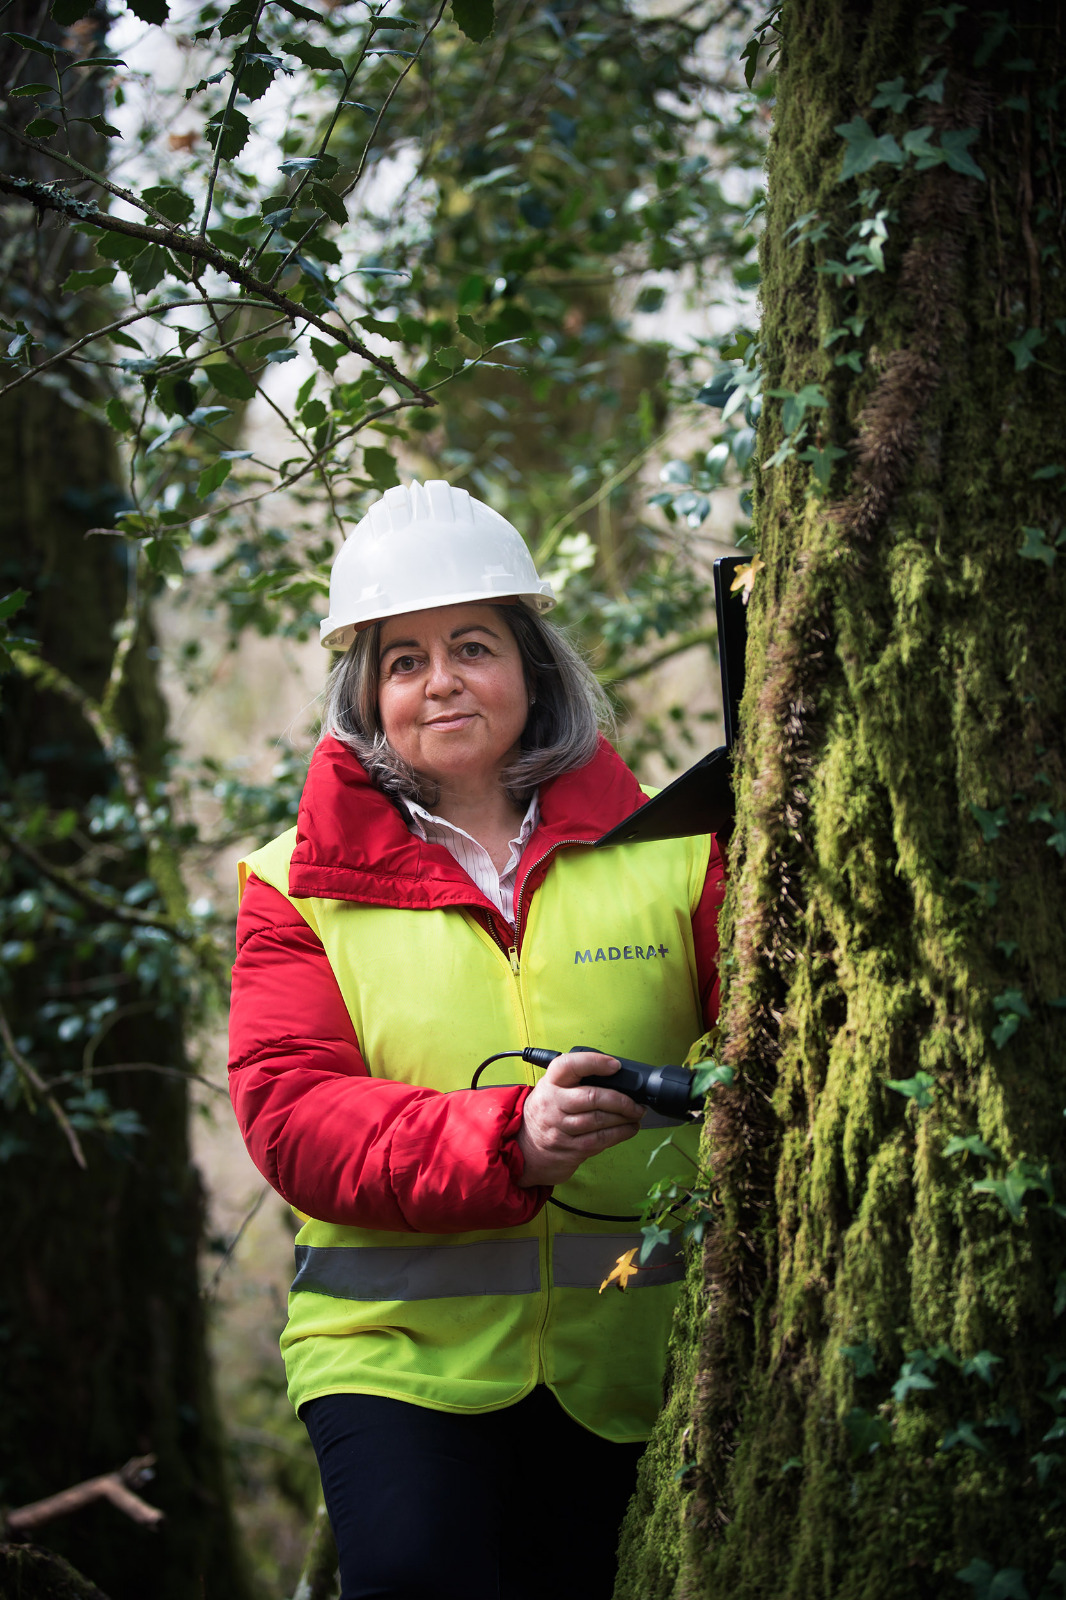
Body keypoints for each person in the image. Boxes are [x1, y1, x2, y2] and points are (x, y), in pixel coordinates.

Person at [228, 479, 725, 1600]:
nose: (440, 679)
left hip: (631, 1344)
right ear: (367, 696)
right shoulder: (288, 885)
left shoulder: (679, 850)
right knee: (414, 1577)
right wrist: (512, 1139)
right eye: (402, 660)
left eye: (471, 645)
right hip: (392, 1356)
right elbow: (293, 1115)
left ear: (532, 668)